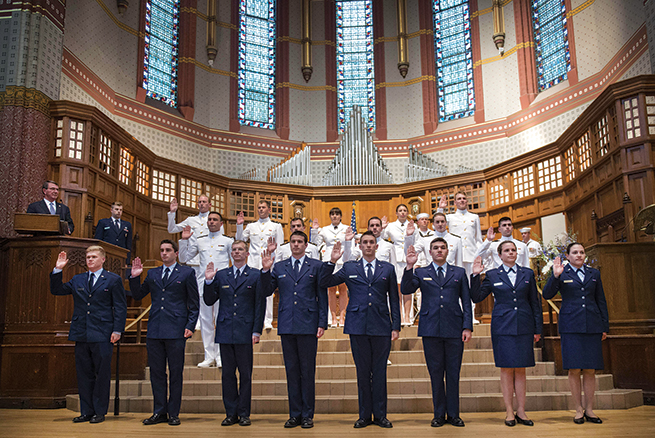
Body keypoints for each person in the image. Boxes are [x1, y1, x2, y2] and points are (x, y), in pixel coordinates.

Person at [320, 233, 400, 429]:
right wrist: (332, 261)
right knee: (363, 372)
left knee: (380, 372)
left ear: (376, 246)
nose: (368, 246)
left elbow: (394, 300)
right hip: (357, 325)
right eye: (365, 242)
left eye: (371, 242)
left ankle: (380, 415)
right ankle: (364, 415)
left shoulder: (387, 268)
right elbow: (325, 281)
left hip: (381, 325)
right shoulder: (349, 267)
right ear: (360, 245)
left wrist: (395, 326)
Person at [50, 245, 126, 424]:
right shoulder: (78, 279)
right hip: (82, 332)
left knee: (102, 373)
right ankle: (86, 411)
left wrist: (117, 330)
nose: (90, 260)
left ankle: (99, 411)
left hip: (103, 333)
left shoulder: (113, 279)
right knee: (84, 374)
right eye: (88, 257)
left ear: (103, 259)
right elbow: (57, 290)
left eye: (93, 257)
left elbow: (120, 307)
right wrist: (58, 270)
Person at [470, 242, 542, 427]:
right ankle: (509, 411)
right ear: (500, 255)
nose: (511, 253)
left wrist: (537, 329)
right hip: (503, 327)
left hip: (524, 326)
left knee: (521, 369)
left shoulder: (527, 273)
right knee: (506, 369)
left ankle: (522, 411)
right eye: (507, 251)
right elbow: (477, 297)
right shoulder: (493, 275)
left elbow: (535, 302)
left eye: (513, 250)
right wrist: (475, 276)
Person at [261, 231, 328, 429]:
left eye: (300, 242)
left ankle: (307, 414)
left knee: (307, 372)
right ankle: (294, 414)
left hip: (308, 324)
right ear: (289, 245)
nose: (296, 245)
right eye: (293, 242)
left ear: (306, 245)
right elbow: (266, 291)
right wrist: (265, 271)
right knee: (291, 371)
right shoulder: (279, 266)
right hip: (287, 324)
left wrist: (322, 323)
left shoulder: (316, 266)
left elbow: (321, 296)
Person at [402, 239, 472, 427]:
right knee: (435, 373)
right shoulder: (421, 271)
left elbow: (466, 301)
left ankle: (454, 414)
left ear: (447, 251)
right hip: (431, 328)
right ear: (430, 252)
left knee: (453, 373)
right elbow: (406, 288)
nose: (439, 251)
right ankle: (439, 414)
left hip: (454, 328)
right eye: (436, 248)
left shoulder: (459, 272)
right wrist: (409, 266)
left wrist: (467, 326)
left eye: (442, 248)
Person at [129, 240, 199, 426]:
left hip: (176, 330)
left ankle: (173, 413)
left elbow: (194, 303)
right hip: (155, 329)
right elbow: (138, 295)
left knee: (176, 373)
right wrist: (135, 277)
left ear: (176, 253)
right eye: (161, 250)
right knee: (157, 373)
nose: (164, 253)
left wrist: (190, 326)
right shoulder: (153, 273)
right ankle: (159, 411)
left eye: (168, 250)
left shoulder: (186, 273)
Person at [543, 243, 609, 424]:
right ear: (568, 255)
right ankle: (578, 410)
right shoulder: (562, 272)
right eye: (575, 252)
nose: (579, 255)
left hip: (592, 325)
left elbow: (600, 300)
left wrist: (604, 326)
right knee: (574, 369)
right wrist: (555, 276)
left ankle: (590, 409)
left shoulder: (594, 274)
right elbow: (547, 294)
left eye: (581, 252)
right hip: (571, 326)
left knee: (590, 369)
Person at [204, 240, 265, 427]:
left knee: (245, 374)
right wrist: (208, 281)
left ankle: (244, 413)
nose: (237, 252)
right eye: (234, 250)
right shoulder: (222, 275)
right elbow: (209, 300)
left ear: (247, 254)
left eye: (240, 250)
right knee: (227, 375)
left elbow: (259, 306)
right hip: (225, 330)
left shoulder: (255, 275)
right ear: (231, 254)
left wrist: (256, 330)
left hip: (245, 331)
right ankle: (231, 413)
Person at [179, 211, 233, 368]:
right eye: (209, 219)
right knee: (206, 321)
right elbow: (183, 258)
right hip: (204, 285)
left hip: (222, 285)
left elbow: (234, 261)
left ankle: (221, 355)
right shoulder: (200, 240)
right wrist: (184, 240)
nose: (211, 222)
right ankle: (209, 356)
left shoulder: (227, 241)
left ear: (221, 223)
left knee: (221, 321)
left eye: (215, 219)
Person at [236, 200, 284, 330]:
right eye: (259, 207)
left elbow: (279, 247)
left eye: (263, 207)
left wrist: (277, 265)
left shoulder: (276, 226)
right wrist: (239, 226)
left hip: (269, 263)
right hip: (253, 262)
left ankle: (267, 321)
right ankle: (252, 320)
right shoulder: (251, 226)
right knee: (251, 292)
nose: (261, 209)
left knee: (267, 292)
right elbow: (240, 240)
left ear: (269, 210)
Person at [311, 208, 349, 327]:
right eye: (332, 214)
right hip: (329, 260)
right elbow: (315, 243)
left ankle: (342, 317)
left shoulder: (347, 228)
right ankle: (333, 318)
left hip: (343, 259)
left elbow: (350, 245)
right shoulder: (325, 229)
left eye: (337, 214)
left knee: (343, 289)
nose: (334, 216)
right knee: (331, 290)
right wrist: (314, 230)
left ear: (341, 216)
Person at [381, 204, 412, 326]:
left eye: (405, 210)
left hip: (408, 258)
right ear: (396, 213)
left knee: (408, 288)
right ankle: (398, 316)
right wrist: (383, 228)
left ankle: (407, 317)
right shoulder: (391, 226)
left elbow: (417, 242)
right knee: (397, 288)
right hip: (396, 258)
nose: (403, 213)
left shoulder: (412, 225)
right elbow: (382, 238)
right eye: (400, 211)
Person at [436, 192, 481, 275]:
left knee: (471, 282)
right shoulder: (450, 217)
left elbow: (478, 239)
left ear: (467, 201)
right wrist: (440, 209)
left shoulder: (474, 217)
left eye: (464, 198)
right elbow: (438, 224)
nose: (462, 200)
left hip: (471, 255)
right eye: (459, 199)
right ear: (455, 202)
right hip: (455, 256)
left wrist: (478, 255)